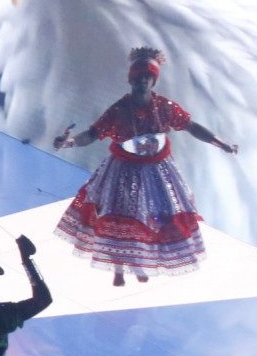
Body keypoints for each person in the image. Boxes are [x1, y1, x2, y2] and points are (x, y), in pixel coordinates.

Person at [52, 47, 238, 285]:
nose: (142, 81)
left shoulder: (165, 107)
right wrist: (68, 142)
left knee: (158, 216)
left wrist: (219, 142)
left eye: (147, 77)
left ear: (153, 79)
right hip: (124, 168)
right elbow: (93, 133)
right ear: (131, 79)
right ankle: (118, 266)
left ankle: (140, 262)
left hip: (157, 169)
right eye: (138, 77)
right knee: (119, 214)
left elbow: (191, 126)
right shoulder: (119, 110)